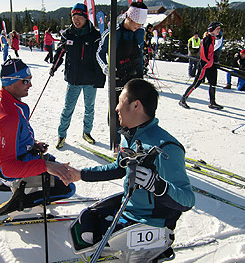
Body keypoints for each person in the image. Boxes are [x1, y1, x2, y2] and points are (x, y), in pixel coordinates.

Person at [68, 79, 195, 249]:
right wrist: (81, 174)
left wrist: (158, 186)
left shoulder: (166, 148)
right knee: (86, 218)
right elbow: (119, 168)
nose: (116, 108)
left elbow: (187, 200)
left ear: (136, 105)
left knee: (90, 238)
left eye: (120, 102)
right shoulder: (133, 137)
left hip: (149, 224)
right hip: (128, 211)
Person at [0, 58, 75, 217]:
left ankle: (28, 189)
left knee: (54, 163)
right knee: (68, 187)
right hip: (17, 162)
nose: (30, 85)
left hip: (20, 153)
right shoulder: (8, 116)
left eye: (30, 80)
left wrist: (32, 144)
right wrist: (45, 166)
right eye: (25, 81)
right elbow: (8, 168)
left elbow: (15, 134)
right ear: (10, 82)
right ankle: (21, 201)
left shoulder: (7, 101)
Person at [50, 3, 106, 149]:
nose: (76, 20)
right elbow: (60, 53)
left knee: (90, 108)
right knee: (68, 108)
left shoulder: (95, 35)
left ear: (85, 17)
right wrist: (53, 67)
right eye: (74, 17)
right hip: (73, 80)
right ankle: (61, 135)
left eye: (79, 16)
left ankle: (86, 132)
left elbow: (101, 55)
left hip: (90, 80)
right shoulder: (68, 34)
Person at [97, 1, 147, 154]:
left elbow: (139, 52)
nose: (138, 26)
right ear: (128, 17)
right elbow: (99, 53)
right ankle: (116, 144)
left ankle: (133, 143)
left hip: (135, 76)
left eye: (141, 23)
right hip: (118, 77)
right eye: (136, 23)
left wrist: (141, 70)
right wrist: (105, 67)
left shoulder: (139, 32)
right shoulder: (112, 33)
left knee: (137, 110)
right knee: (117, 111)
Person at [179, 22, 224, 110]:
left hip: (211, 65)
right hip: (204, 66)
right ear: (212, 29)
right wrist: (207, 63)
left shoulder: (212, 38)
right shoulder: (207, 40)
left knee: (213, 83)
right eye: (217, 29)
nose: (219, 30)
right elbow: (204, 55)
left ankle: (212, 102)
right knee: (196, 83)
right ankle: (183, 99)